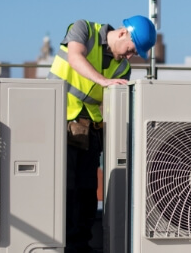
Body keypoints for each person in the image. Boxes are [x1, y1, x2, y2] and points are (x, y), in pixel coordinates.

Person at [47, 15, 156, 253]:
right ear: (121, 33)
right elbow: (75, 57)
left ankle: (79, 245)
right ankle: (57, 245)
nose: (129, 57)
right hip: (58, 121)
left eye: (134, 53)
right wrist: (104, 81)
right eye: (130, 49)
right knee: (64, 189)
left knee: (86, 192)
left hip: (91, 131)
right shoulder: (83, 29)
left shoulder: (124, 68)